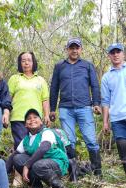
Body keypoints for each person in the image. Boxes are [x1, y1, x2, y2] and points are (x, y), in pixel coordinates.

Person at [50, 37, 102, 176]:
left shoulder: (87, 65)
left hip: (84, 107)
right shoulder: (59, 66)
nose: (74, 50)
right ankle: (73, 174)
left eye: (77, 48)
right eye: (71, 48)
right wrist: (51, 109)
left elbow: (95, 85)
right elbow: (54, 88)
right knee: (69, 142)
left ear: (81, 49)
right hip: (65, 109)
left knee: (91, 140)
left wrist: (96, 103)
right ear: (67, 49)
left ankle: (98, 173)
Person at [6, 109, 69, 188]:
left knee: (38, 165)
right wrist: (3, 172)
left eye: (35, 117)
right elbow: (14, 155)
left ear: (40, 121)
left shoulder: (46, 132)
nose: (32, 120)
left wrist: (27, 165)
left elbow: (44, 147)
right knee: (17, 158)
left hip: (57, 163)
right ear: (25, 124)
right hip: (40, 164)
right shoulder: (27, 139)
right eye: (28, 119)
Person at [8, 51, 51, 185]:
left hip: (36, 120)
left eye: (29, 60)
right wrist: (6, 113)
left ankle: (35, 174)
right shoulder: (15, 78)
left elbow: (45, 99)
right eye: (23, 60)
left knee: (37, 146)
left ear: (33, 62)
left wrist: (47, 115)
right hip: (19, 117)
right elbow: (8, 98)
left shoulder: (40, 80)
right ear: (20, 63)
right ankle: (18, 174)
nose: (26, 62)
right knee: (20, 146)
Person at [101, 43, 126, 174]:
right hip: (117, 119)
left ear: (123, 54)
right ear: (109, 56)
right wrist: (105, 122)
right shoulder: (106, 77)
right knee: (123, 149)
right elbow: (105, 101)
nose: (116, 54)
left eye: (118, 52)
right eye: (113, 52)